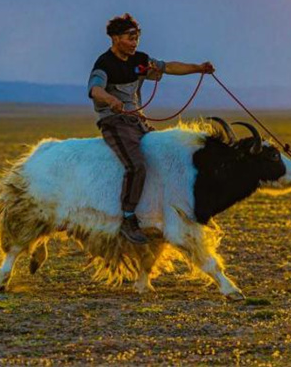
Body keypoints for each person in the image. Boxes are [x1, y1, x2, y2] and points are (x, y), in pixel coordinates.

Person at [88, 13, 215, 244]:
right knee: (136, 166)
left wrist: (199, 68)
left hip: (138, 120)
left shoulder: (140, 60)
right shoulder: (104, 63)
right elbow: (95, 89)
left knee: (167, 156)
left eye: (137, 37)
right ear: (116, 39)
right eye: (130, 37)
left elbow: (168, 67)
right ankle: (127, 219)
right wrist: (110, 100)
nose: (135, 42)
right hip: (114, 122)